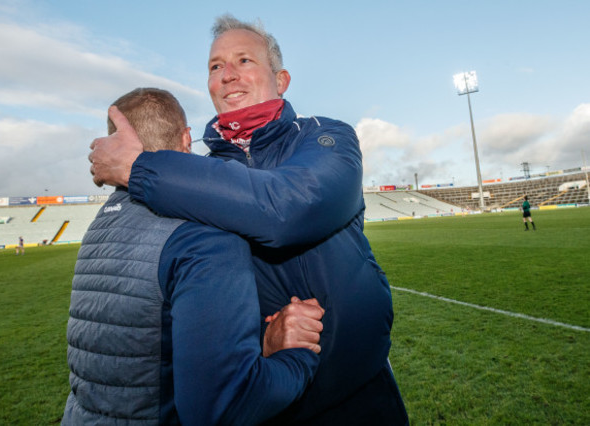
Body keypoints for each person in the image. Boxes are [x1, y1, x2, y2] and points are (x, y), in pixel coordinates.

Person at [89, 15, 408, 424]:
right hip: (274, 398)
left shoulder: (326, 137)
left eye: (244, 60)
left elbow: (288, 209)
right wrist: (263, 344)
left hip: (360, 392)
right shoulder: (194, 176)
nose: (227, 76)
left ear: (282, 79)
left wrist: (139, 168)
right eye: (215, 66)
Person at [63, 88, 325, 425]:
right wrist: (294, 354)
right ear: (187, 138)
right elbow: (221, 408)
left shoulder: (102, 223)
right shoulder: (204, 233)